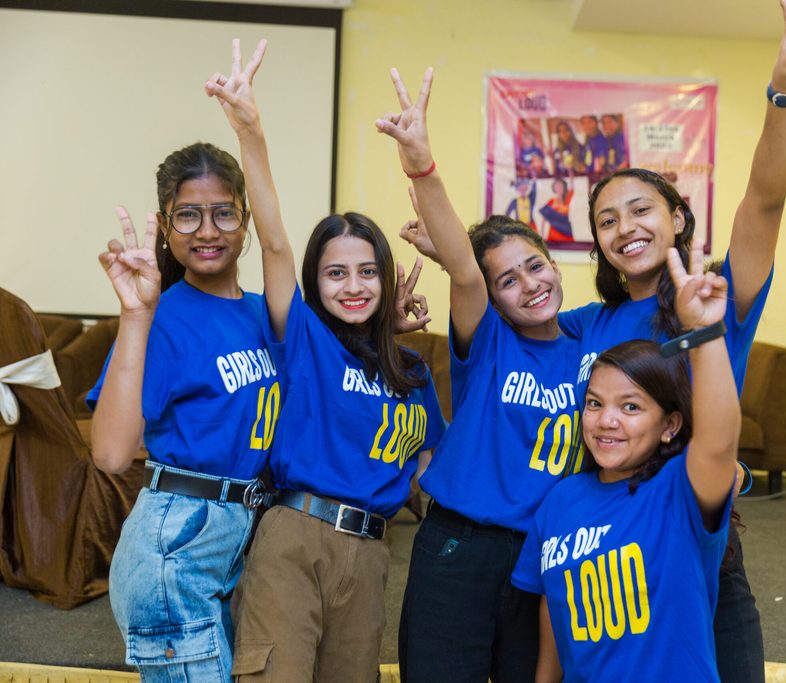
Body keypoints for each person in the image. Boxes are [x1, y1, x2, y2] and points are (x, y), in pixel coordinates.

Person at [558, 2, 786, 680]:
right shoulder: (584, 325)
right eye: (605, 220)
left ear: (678, 216)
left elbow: (764, 201)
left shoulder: (714, 300)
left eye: (641, 209)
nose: (624, 226)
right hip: (609, 562)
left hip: (702, 551)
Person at [205, 40, 445, 681]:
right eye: (335, 273)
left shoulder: (414, 376)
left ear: (388, 277)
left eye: (368, 271)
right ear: (316, 282)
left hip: (370, 555)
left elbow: (432, 470)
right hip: (294, 539)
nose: (354, 285)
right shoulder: (305, 337)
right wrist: (250, 132)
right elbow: (277, 241)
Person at [376, 68, 584, 683]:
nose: (530, 285)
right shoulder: (489, 340)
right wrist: (422, 164)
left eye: (536, 266)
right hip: (460, 548)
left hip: (545, 556)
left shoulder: (590, 346)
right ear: (491, 297)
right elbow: (465, 275)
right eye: (508, 280)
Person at [89, 141, 275, 680]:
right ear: (166, 228)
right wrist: (134, 316)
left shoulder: (266, 314)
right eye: (187, 215)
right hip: (177, 548)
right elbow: (109, 453)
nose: (208, 230)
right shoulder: (162, 318)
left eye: (223, 212)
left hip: (241, 544)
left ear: (245, 218)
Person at [513, 240, 739, 681]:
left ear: (670, 424)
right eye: (594, 404)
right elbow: (555, 619)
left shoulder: (680, 489)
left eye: (631, 407)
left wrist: (706, 333)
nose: (606, 421)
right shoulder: (560, 500)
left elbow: (719, 440)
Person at [539, 176, 575, 242]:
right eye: (557, 186)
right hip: (553, 233)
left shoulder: (567, 199)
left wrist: (570, 173)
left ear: (564, 187)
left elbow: (572, 187)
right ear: (554, 188)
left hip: (566, 232)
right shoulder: (551, 201)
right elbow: (544, 217)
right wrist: (542, 233)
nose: (559, 188)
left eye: (561, 186)